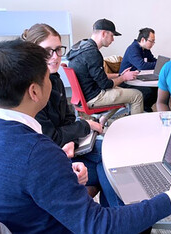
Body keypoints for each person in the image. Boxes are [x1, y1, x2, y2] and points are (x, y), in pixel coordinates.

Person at [0, 39, 171, 233]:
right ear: (34, 91)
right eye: (47, 79)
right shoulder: (37, 153)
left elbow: (15, 184)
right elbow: (97, 226)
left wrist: (60, 170)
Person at [22, 23, 123, 206]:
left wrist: (71, 137)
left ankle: (111, 217)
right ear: (32, 53)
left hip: (67, 147)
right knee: (107, 166)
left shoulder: (54, 79)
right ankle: (114, 218)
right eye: (47, 51)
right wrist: (85, 126)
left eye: (58, 50)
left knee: (110, 155)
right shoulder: (31, 91)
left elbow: (68, 118)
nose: (55, 57)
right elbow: (50, 136)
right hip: (52, 157)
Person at [67, 18, 143, 114]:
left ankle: (104, 119)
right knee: (137, 95)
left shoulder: (81, 47)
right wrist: (124, 78)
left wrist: (119, 75)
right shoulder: (92, 53)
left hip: (83, 96)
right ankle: (136, 128)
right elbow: (105, 84)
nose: (113, 39)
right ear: (103, 33)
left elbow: (98, 76)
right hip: (93, 97)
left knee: (123, 91)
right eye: (112, 35)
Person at [119, 27, 158, 112]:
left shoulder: (146, 50)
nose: (152, 44)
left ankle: (145, 108)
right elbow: (142, 66)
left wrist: (159, 63)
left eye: (153, 41)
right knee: (148, 91)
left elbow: (153, 60)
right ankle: (142, 109)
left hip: (137, 79)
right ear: (143, 39)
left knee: (158, 89)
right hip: (126, 82)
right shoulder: (133, 49)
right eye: (151, 41)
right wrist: (158, 64)